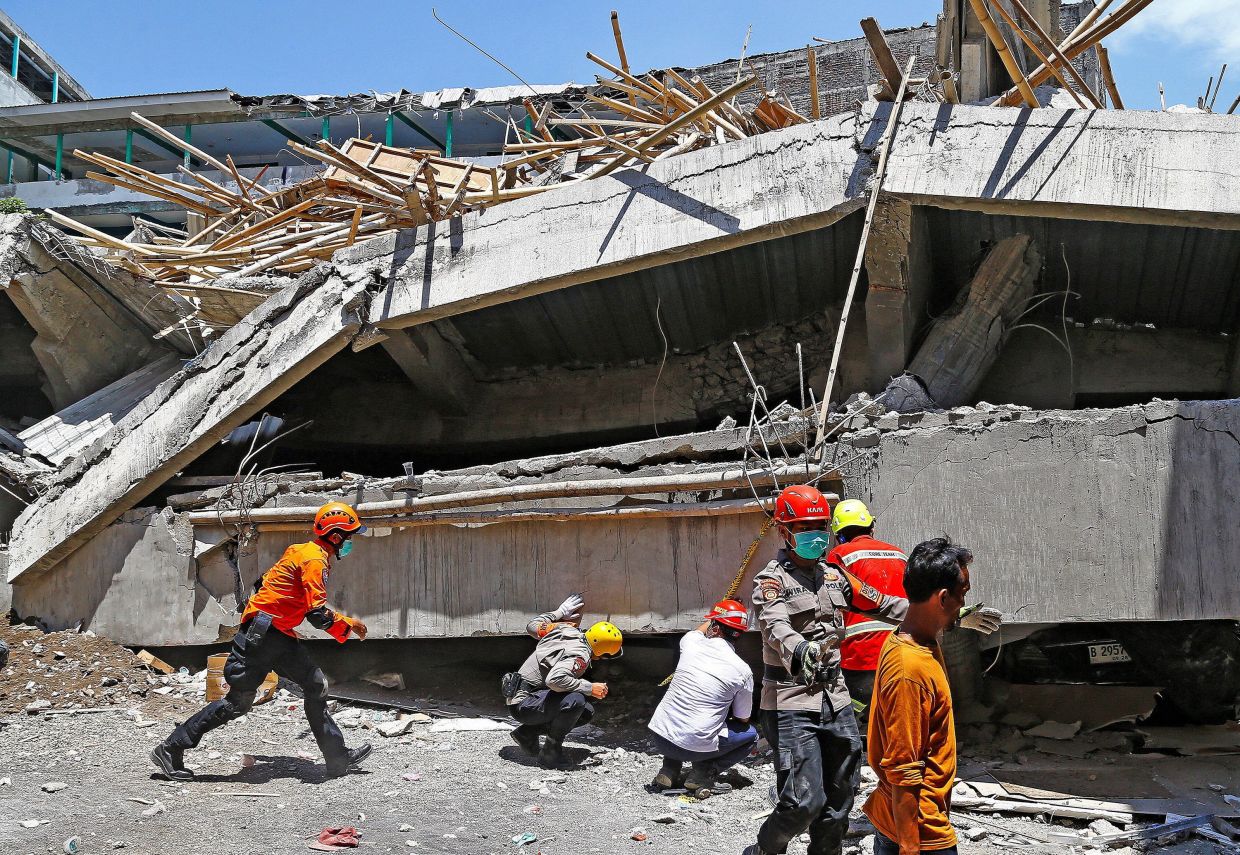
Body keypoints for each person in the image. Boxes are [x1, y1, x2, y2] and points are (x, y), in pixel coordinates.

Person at [743, 484, 912, 855]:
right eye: (805, 527)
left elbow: (884, 604)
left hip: (836, 700)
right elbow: (775, 627)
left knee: (840, 802)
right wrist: (801, 649)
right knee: (804, 802)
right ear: (784, 531)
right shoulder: (771, 581)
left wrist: (945, 613)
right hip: (790, 702)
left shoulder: (836, 576)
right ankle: (763, 850)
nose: (815, 535)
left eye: (820, 526)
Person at [151, 502, 373, 781]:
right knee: (237, 703)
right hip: (264, 636)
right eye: (349, 536)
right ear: (336, 535)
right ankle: (171, 748)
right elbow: (316, 614)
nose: (351, 542)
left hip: (276, 633)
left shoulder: (303, 551)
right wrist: (348, 624)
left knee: (315, 685)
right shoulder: (314, 560)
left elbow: (264, 584)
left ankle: (337, 758)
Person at [864, 538, 974, 855]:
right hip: (919, 832)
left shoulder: (916, 639)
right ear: (942, 598)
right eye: (962, 594)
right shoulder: (909, 669)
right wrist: (910, 846)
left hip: (913, 823)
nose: (964, 603)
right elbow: (903, 768)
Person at [648, 599, 758, 798]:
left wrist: (720, 611)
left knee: (678, 709)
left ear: (715, 628)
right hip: (695, 747)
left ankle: (669, 769)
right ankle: (703, 772)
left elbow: (700, 629)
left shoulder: (691, 643)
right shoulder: (743, 671)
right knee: (750, 735)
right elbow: (743, 718)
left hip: (660, 738)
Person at [503, 594, 623, 768]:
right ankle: (550, 754)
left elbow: (532, 627)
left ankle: (527, 733)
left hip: (521, 697)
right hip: (524, 704)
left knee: (585, 711)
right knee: (576, 701)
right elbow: (555, 680)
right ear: (601, 652)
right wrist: (590, 688)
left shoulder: (566, 630)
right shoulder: (580, 656)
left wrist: (559, 613)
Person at [827, 498, 909, 733]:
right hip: (901, 645)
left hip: (861, 650)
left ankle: (848, 750)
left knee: (849, 709)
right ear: (871, 527)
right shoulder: (899, 554)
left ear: (838, 534)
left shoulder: (839, 554)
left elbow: (833, 599)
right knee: (897, 707)